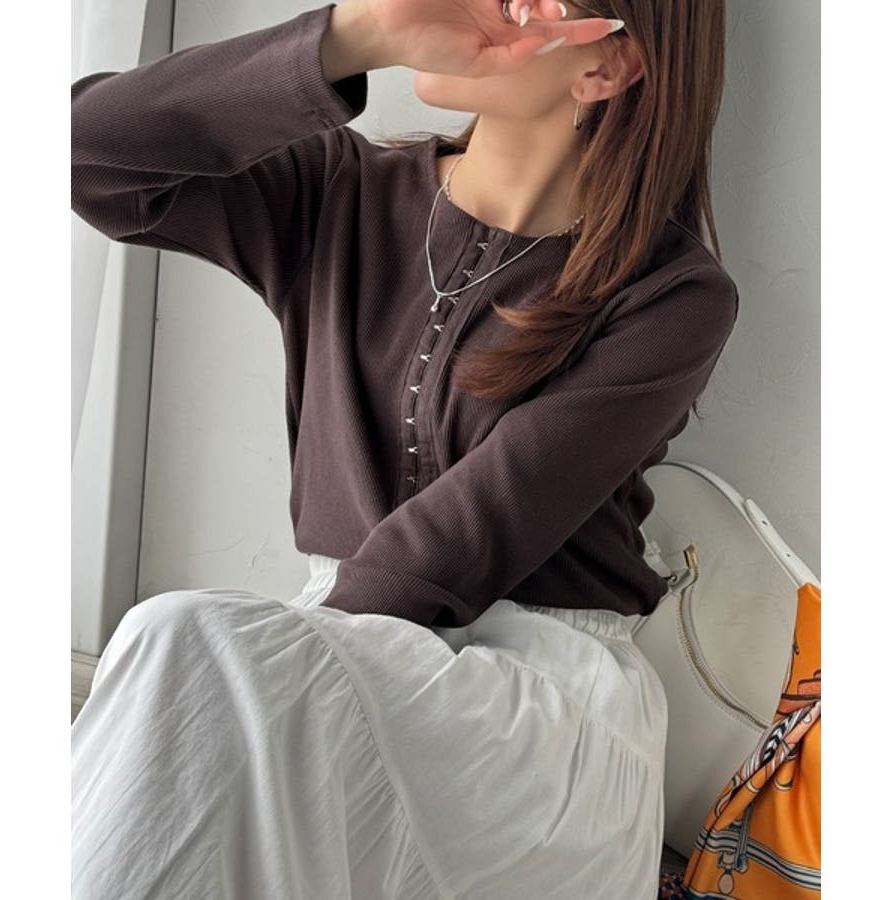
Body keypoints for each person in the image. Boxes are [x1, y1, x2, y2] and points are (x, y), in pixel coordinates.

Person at [70, 1, 737, 897]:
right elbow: (80, 149)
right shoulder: (336, 192)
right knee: (195, 662)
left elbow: (475, 526)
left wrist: (285, 660)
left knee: (187, 640)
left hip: (533, 705)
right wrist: (357, 35)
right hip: (341, 650)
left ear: (603, 67)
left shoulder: (671, 296)